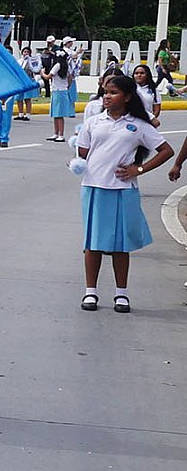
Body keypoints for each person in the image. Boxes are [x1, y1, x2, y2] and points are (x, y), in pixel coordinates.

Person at [75, 74, 173, 313]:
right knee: (93, 243)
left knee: (120, 244)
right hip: (94, 187)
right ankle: (90, 292)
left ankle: (121, 294)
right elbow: (83, 152)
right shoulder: (94, 122)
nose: (107, 97)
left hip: (122, 189)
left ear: (127, 97)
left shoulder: (138, 125)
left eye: (114, 93)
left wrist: (138, 169)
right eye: (106, 92)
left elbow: (166, 150)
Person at [47, 39, 76, 142]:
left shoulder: (57, 65)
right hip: (62, 90)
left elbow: (48, 76)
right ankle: (56, 133)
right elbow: (70, 77)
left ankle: (60, 134)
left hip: (57, 90)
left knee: (58, 114)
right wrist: (68, 86)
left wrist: (41, 72)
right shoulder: (66, 66)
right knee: (56, 114)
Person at [16, 46, 41, 121]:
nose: (26, 53)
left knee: (27, 98)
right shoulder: (19, 61)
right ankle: (20, 114)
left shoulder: (32, 62)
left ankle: (28, 114)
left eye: (27, 52)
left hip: (28, 80)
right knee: (19, 98)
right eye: (24, 52)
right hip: (20, 81)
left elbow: (36, 69)